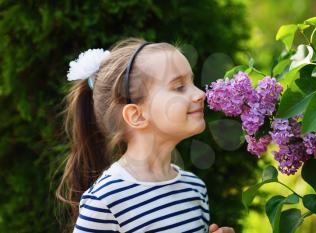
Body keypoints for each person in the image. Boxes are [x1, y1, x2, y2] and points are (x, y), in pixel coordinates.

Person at [56, 37, 235, 233]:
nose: (200, 94)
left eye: (192, 82)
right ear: (137, 115)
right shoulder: (106, 200)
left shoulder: (194, 188)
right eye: (179, 87)